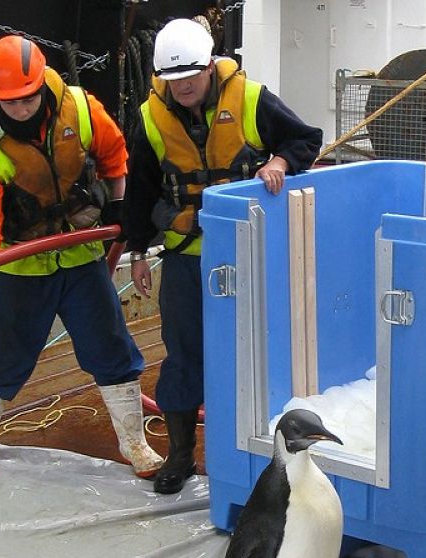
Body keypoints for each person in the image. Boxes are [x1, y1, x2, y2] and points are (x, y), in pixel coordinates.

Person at [0, 35, 163, 485]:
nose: (21, 108)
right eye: (10, 101)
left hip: (83, 255)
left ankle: (133, 442)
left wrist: (121, 205)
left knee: (111, 348)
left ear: (42, 85)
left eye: (28, 98)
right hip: (18, 266)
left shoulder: (82, 110)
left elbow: (114, 156)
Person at [123, 18, 323, 495]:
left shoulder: (252, 99)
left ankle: (261, 457)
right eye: (174, 78)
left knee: (258, 353)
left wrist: (280, 161)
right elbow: (141, 189)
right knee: (182, 354)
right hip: (187, 258)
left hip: (249, 252)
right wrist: (135, 250)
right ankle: (179, 455)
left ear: (211, 65)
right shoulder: (151, 119)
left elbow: (305, 139)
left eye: (192, 73)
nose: (185, 85)